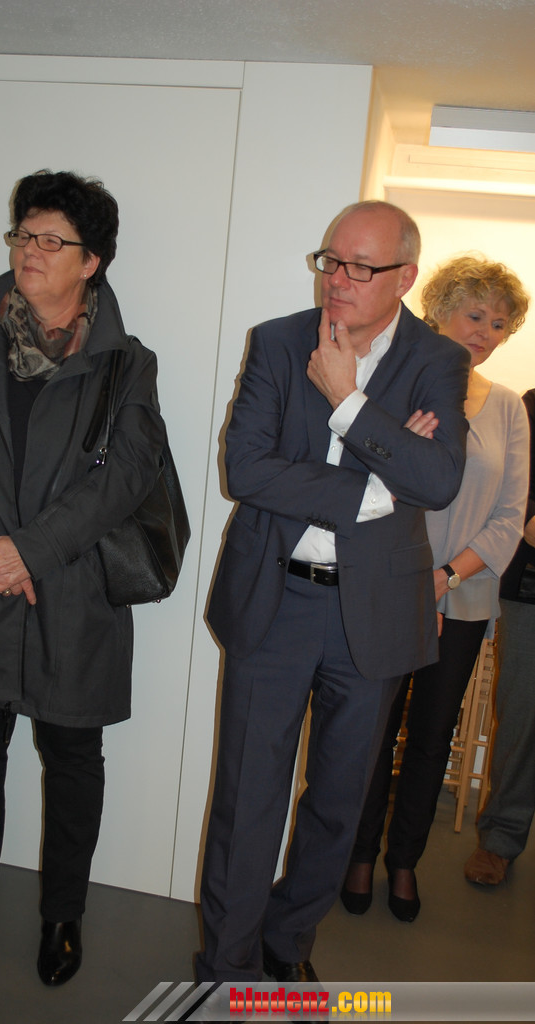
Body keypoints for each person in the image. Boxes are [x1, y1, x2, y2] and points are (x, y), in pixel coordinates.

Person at [195, 200, 470, 984]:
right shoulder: (278, 341)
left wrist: (348, 402)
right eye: (330, 261)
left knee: (338, 802)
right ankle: (225, 968)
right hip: (274, 602)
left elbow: (436, 480)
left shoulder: (438, 360)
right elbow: (245, 469)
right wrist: (375, 488)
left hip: (372, 615)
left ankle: (286, 944)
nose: (337, 280)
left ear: (404, 278)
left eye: (360, 268)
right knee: (248, 797)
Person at [0, 170, 166, 986]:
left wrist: (32, 551)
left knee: (72, 756)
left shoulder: (127, 364)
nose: (30, 251)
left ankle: (62, 917)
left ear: (92, 262)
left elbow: (128, 475)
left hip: (71, 590)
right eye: (25, 234)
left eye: (53, 240)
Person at [342, 255, 529, 922]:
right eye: (474, 315)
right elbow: (366, 485)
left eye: (499, 324)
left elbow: (510, 516)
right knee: (372, 727)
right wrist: (414, 578)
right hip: (390, 588)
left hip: (464, 595)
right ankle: (357, 853)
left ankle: (403, 861)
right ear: (440, 310)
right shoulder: (395, 387)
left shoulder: (508, 408)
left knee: (431, 734)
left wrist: (445, 578)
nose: (484, 332)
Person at [464, 387, 535, 886]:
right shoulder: (529, 408)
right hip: (529, 593)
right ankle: (500, 840)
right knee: (522, 721)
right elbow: (513, 496)